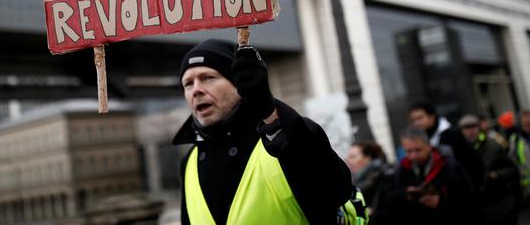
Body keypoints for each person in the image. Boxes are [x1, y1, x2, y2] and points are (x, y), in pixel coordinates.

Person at [172, 39, 352, 224]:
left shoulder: (285, 133)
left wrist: (269, 112)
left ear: (239, 83)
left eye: (208, 78)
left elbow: (335, 191)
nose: (196, 90)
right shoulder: (189, 162)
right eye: (188, 84)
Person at [378, 127, 473, 225]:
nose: (413, 156)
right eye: (409, 151)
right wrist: (405, 194)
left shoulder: (449, 166)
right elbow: (388, 202)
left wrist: (440, 203)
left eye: (418, 150)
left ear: (429, 146)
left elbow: (469, 202)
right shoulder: (401, 170)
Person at [459, 114, 520, 225]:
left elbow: (512, 169)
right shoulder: (459, 152)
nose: (470, 131)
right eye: (466, 128)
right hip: (478, 208)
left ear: (479, 128)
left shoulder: (493, 146)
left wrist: (496, 174)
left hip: (500, 204)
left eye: (473, 127)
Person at [407, 101, 484, 189]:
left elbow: (470, 164)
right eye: (413, 120)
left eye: (420, 118)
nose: (417, 123)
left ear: (432, 117)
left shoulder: (451, 135)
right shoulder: (421, 139)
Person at [346, 141, 393, 223]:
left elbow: (394, 211)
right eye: (348, 157)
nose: (348, 160)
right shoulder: (352, 182)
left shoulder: (384, 178)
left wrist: (371, 212)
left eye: (353, 157)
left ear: (367, 158)